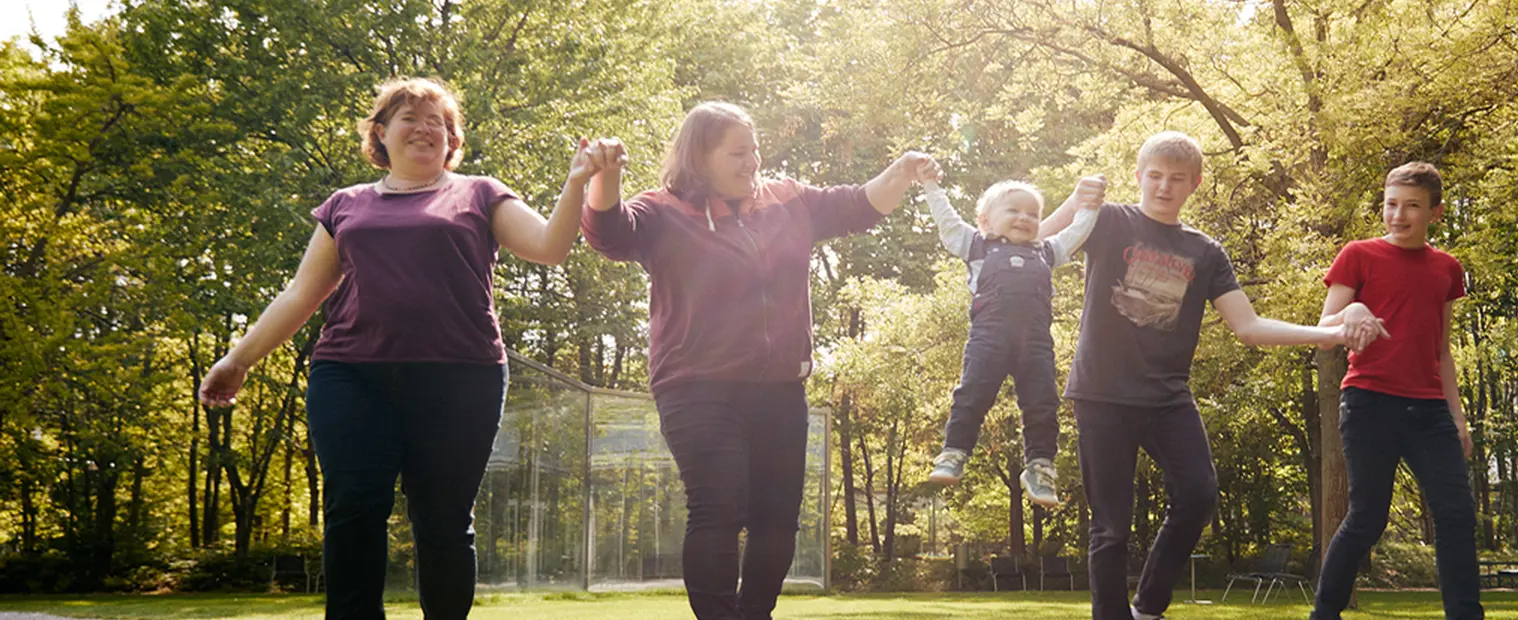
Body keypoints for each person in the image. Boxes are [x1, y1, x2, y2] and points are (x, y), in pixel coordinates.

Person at [196, 77, 619, 619]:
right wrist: (238, 360)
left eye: (438, 123)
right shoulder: (345, 206)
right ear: (380, 133)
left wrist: (579, 180)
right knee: (353, 511)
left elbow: (549, 247)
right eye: (409, 118)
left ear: (451, 140)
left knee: (442, 521)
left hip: (460, 378)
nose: (425, 129)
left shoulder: (479, 193)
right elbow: (302, 294)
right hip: (351, 375)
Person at [581, 101, 938, 620]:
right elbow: (607, 232)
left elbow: (859, 205)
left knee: (777, 518)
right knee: (718, 506)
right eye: (737, 153)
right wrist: (605, 177)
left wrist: (902, 170)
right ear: (699, 159)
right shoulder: (663, 211)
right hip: (697, 385)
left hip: (779, 388)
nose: (752, 162)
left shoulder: (786, 199)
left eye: (755, 150)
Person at [1033, 131, 1382, 620]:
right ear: (1138, 176)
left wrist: (1326, 335)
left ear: (1194, 184)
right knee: (1110, 527)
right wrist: (1074, 202)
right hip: (1102, 394)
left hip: (1166, 397)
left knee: (1198, 494)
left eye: (1176, 179)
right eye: (1154, 176)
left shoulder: (1205, 251)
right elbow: (1034, 248)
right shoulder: (1110, 221)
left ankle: (1148, 608)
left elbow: (1249, 325)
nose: (1163, 187)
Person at [1310, 161, 1480, 620]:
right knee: (1368, 518)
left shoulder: (1447, 268)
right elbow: (1322, 327)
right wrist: (1355, 310)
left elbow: (1441, 351)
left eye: (1412, 206)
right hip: (1369, 402)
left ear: (1435, 213)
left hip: (1429, 411)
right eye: (1391, 204)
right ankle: (1324, 614)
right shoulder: (1358, 255)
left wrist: (1458, 420)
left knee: (1457, 516)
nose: (1398, 215)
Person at [922, 176, 1105, 507]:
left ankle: (1040, 467)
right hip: (987, 340)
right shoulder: (975, 245)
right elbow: (947, 220)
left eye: (1033, 214)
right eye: (1014, 211)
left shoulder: (1047, 251)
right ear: (985, 220)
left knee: (1042, 404)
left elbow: (1077, 232)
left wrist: (1090, 207)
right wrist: (932, 186)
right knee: (972, 394)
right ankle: (954, 452)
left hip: (1035, 345)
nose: (1025, 218)